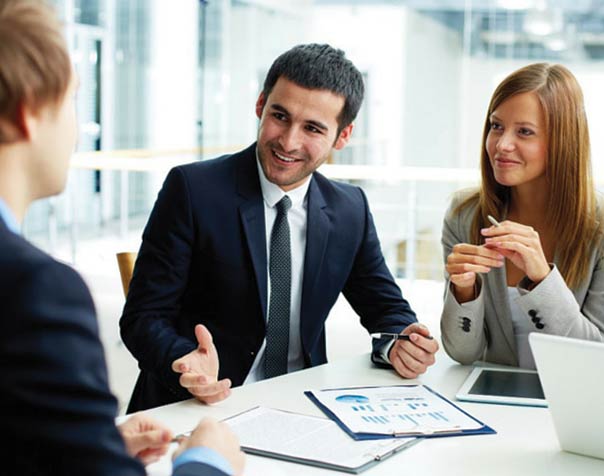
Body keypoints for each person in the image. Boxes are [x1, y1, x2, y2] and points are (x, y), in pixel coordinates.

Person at [120, 43, 439, 412]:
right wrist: (184, 361)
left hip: (302, 403)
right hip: (199, 403)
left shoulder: (349, 208)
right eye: (280, 116)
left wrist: (400, 343)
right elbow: (144, 318)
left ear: (342, 136)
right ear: (260, 106)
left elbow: (386, 309)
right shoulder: (193, 190)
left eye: (313, 128)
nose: (288, 142)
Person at [0, 1, 244, 474]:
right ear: (30, 110)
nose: (76, 129)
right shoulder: (35, 291)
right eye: (73, 98)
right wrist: (208, 459)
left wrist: (85, 444)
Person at [440, 63, 604, 368]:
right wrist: (464, 290)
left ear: (563, 141)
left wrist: (543, 279)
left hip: (573, 402)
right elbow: (463, 352)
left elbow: (598, 356)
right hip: (490, 402)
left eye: (524, 132)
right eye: (496, 126)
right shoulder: (464, 215)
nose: (502, 145)